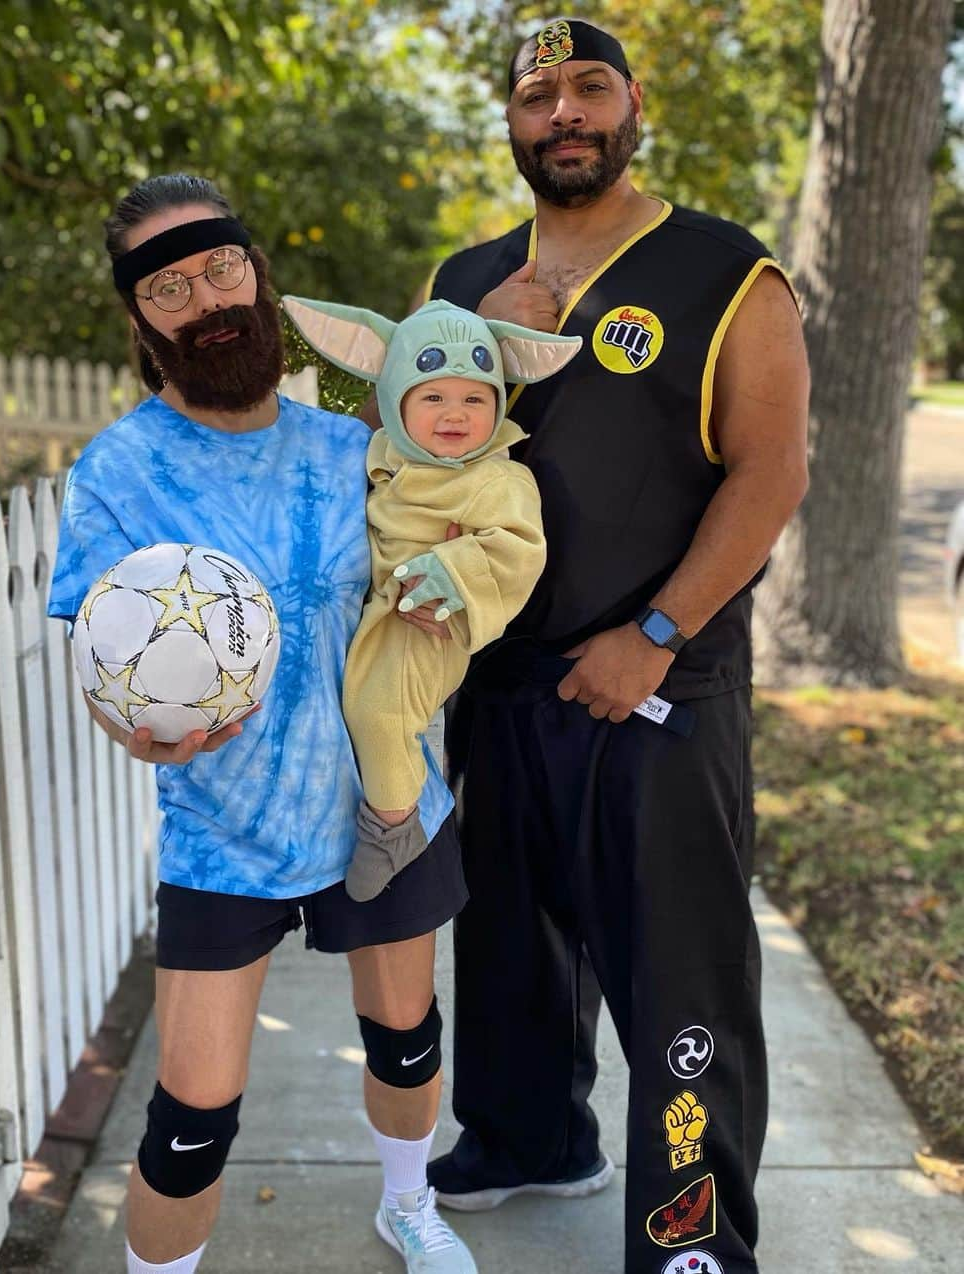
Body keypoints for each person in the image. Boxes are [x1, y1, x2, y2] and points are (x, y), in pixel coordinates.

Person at [404, 19, 810, 1274]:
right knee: (512, 944)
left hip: (658, 684)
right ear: (514, 123)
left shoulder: (723, 271)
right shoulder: (464, 281)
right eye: (539, 95)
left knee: (680, 978)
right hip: (502, 684)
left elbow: (770, 471)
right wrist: (494, 336)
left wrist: (654, 632)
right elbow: (419, 461)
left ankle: (691, 1230)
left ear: (631, 105)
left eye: (588, 88)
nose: (564, 112)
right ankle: (527, 1135)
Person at [47, 173, 479, 1274]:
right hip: (224, 830)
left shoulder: (356, 449)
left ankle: (406, 1199)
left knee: (408, 1039)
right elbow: (101, 658)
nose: (206, 298)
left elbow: (459, 550)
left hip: (383, 806)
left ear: (259, 271)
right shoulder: (120, 469)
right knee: (191, 1124)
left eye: (220, 265)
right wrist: (136, 728)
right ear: (142, 319)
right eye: (169, 284)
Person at [282, 295, 580, 900]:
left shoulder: (496, 477)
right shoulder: (384, 455)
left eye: (475, 398)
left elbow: (520, 547)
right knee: (354, 707)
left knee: (382, 712)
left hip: (427, 619)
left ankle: (394, 828)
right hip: (376, 612)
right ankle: (387, 799)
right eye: (432, 397)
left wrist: (454, 572)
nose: (455, 414)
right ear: (396, 401)